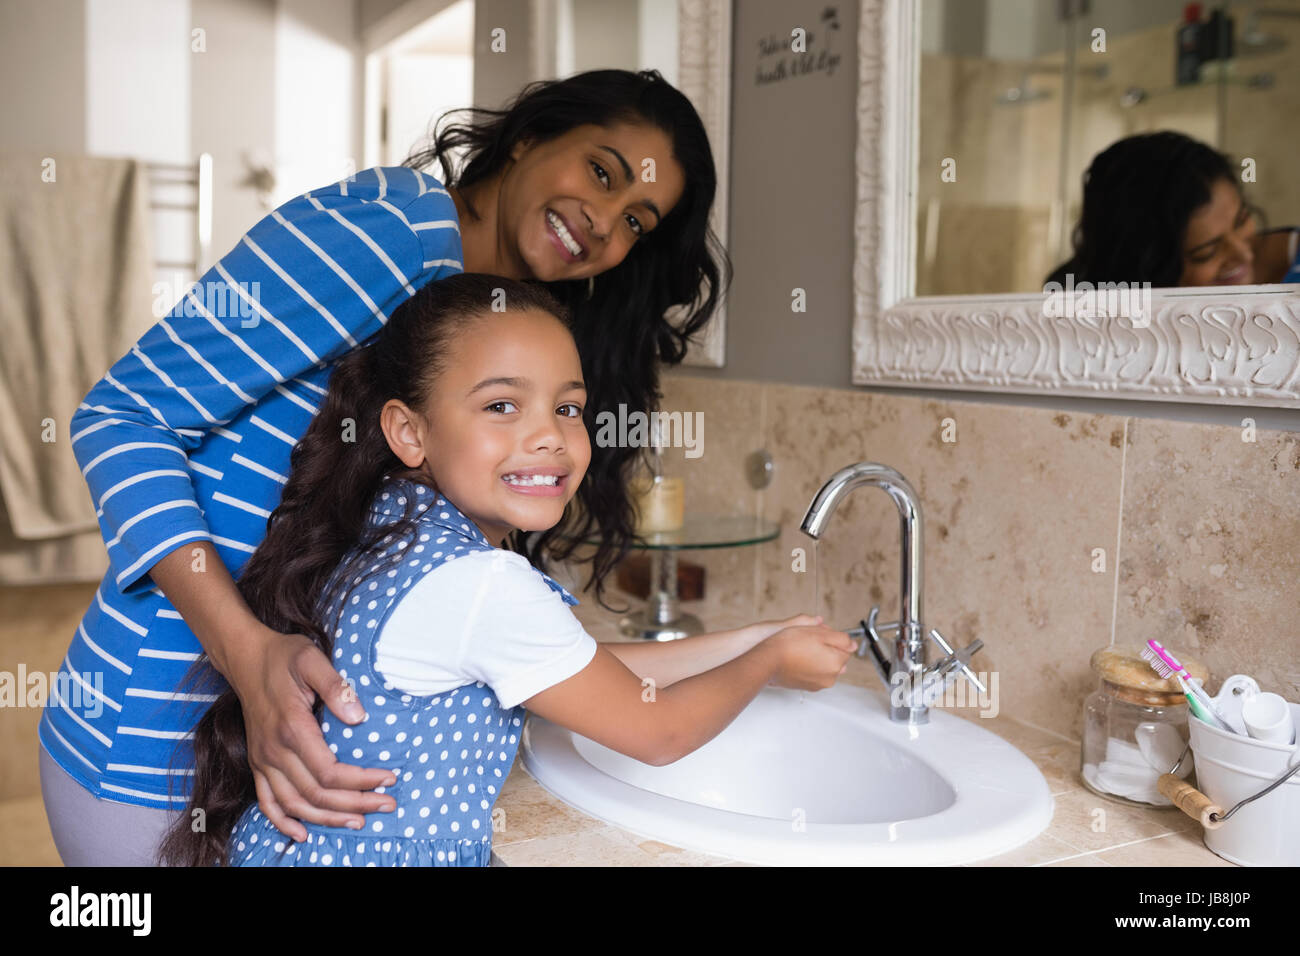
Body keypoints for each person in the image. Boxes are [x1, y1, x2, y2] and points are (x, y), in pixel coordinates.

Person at [37, 68, 746, 865]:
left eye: (636, 223)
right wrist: (245, 651)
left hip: (257, 748)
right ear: (530, 138)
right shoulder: (391, 239)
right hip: (155, 731)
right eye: (602, 172)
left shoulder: (474, 314)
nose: (604, 223)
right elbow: (121, 417)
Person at [154, 271, 854, 867]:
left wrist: (753, 641)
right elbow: (660, 732)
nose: (549, 433)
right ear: (409, 430)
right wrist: (765, 666)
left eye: (568, 407)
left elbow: (582, 669)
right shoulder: (480, 584)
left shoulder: (392, 524)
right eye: (501, 405)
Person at [1044, 130, 1300, 289]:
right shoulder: (1088, 295)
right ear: (1149, 264)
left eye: (1242, 220)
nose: (1242, 253)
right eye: (1206, 252)